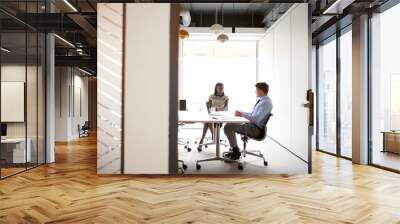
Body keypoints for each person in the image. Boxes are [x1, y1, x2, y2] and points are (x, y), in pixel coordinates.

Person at [223, 82, 272, 160]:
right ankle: (234, 149)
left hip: (255, 129)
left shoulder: (265, 103)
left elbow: (256, 119)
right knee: (230, 124)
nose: (255, 91)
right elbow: (253, 114)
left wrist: (241, 115)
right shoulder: (263, 101)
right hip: (253, 126)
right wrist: (241, 113)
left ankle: (236, 151)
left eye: (256, 90)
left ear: (261, 91)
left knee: (227, 127)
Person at [197, 82, 228, 151]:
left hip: (220, 116)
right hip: (211, 114)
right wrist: (210, 110)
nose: (221, 89)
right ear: (216, 88)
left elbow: (226, 108)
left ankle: (202, 140)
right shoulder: (211, 96)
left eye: (222, 88)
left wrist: (218, 109)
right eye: (219, 88)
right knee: (207, 121)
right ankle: (214, 137)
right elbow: (208, 107)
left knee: (208, 122)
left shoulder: (225, 97)